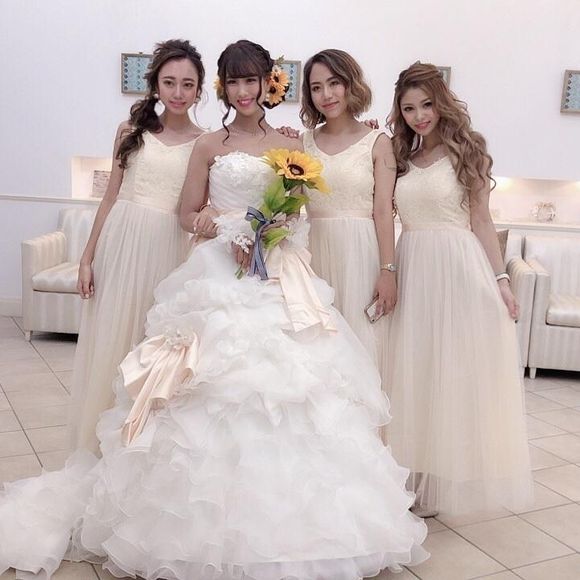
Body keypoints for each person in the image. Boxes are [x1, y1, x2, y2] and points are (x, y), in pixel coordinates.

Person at [0, 40, 427, 580]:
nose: (244, 91)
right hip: (218, 274)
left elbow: (300, 213)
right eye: (235, 81)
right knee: (200, 388)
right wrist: (226, 227)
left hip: (276, 276)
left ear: (268, 84)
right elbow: (187, 214)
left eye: (253, 80)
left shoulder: (293, 144)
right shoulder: (207, 144)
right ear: (223, 87)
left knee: (292, 388)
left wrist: (270, 230)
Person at [386, 62, 533, 516]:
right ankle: (410, 473)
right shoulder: (399, 155)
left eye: (426, 104)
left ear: (442, 102)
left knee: (449, 373)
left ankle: (438, 480)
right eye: (409, 108)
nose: (419, 116)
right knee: (414, 372)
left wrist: (501, 280)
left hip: (457, 269)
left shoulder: (469, 152)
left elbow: (482, 221)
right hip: (413, 266)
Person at [71, 39, 206, 453]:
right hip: (120, 243)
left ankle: (136, 452)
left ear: (199, 90)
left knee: (150, 345)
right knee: (110, 341)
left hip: (168, 248)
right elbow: (110, 196)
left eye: (187, 84)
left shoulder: (204, 143)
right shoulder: (130, 131)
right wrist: (87, 258)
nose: (178, 92)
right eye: (169, 82)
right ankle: (96, 449)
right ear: (156, 85)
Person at [300, 48, 397, 398]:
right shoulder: (302, 142)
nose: (326, 95)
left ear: (350, 84)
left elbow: (383, 211)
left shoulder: (378, 142)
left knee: (359, 343)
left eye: (334, 83)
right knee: (317, 347)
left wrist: (388, 270)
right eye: (316, 87)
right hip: (313, 253)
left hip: (360, 253)